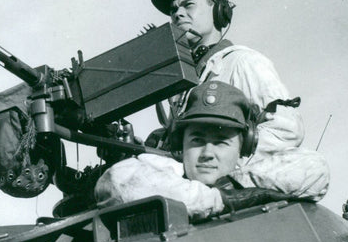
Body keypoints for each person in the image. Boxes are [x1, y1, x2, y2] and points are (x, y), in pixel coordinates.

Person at [147, 0, 329, 197]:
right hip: (191, 185)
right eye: (173, 10)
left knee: (312, 166)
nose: (178, 14)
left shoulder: (243, 62)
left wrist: (229, 160)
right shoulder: (185, 81)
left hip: (229, 182)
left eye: (188, 5)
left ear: (218, 11)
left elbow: (287, 130)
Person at [95, 80, 328, 219]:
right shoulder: (163, 171)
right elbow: (117, 179)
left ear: (243, 147)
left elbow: (315, 168)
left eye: (221, 142)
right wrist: (219, 199)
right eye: (197, 140)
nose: (207, 152)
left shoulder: (251, 177)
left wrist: (234, 186)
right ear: (181, 144)